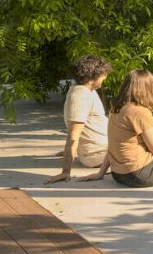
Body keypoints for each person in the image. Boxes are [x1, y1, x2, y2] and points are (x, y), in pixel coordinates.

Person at [45, 55, 112, 185]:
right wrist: (65, 171)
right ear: (92, 78)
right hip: (99, 154)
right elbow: (73, 136)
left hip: (102, 149)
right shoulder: (80, 96)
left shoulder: (86, 90)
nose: (105, 77)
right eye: (103, 75)